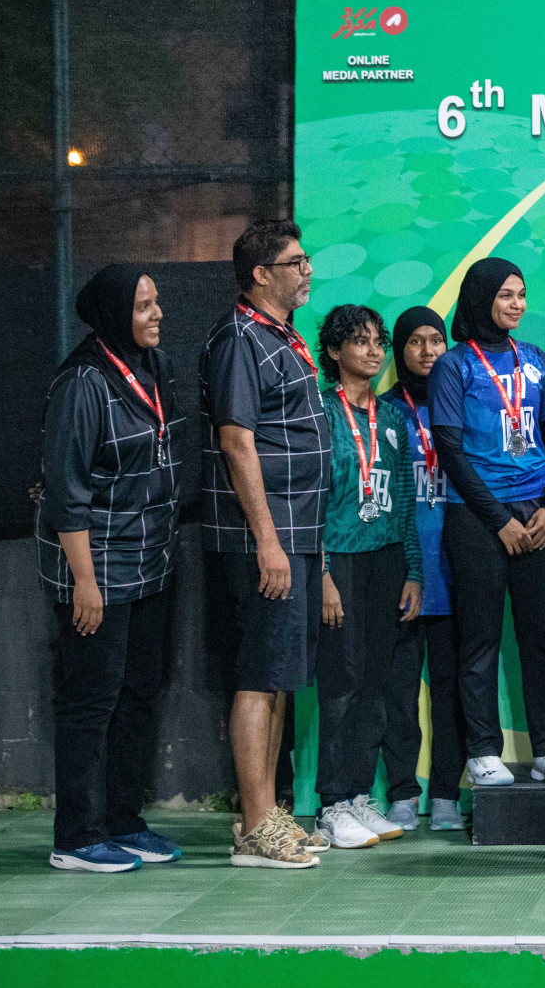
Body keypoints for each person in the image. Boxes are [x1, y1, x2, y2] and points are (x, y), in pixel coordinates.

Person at [36, 266, 182, 872]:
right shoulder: (83, 383)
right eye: (143, 306)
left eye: (156, 303)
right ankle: (75, 836)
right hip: (96, 569)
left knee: (138, 695)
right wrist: (85, 583)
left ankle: (123, 820)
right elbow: (66, 494)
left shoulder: (152, 367)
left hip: (149, 565)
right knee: (90, 701)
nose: (157, 315)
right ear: (115, 313)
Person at [202, 219, 330, 869]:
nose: (307, 270)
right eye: (295, 261)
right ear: (261, 273)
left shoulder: (281, 336)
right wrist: (267, 541)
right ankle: (253, 825)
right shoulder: (238, 339)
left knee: (280, 679)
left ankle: (269, 813)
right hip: (266, 539)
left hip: (296, 535)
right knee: (258, 677)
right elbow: (236, 441)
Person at [429, 258, 545, 785]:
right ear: (481, 298)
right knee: (481, 638)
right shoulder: (455, 364)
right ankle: (483, 753)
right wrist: (497, 520)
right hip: (477, 519)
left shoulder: (533, 359)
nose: (517, 304)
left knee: (542, 636)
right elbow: (449, 446)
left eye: (521, 295)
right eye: (506, 295)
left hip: (538, 514)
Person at [311, 305, 423, 848]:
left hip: (386, 560)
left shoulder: (396, 418)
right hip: (339, 561)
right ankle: (330, 805)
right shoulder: (318, 411)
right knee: (342, 682)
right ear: (334, 352)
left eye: (379, 342)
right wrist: (324, 573)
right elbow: (308, 502)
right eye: (359, 342)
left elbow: (405, 502)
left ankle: (358, 796)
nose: (374, 352)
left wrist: (414, 571)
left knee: (377, 682)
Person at [383, 306, 468, 831]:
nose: (428, 351)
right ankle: (399, 792)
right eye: (415, 341)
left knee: (453, 686)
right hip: (404, 568)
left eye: (436, 340)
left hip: (456, 562)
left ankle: (445, 796)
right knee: (397, 689)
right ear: (399, 349)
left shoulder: (462, 404)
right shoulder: (383, 410)